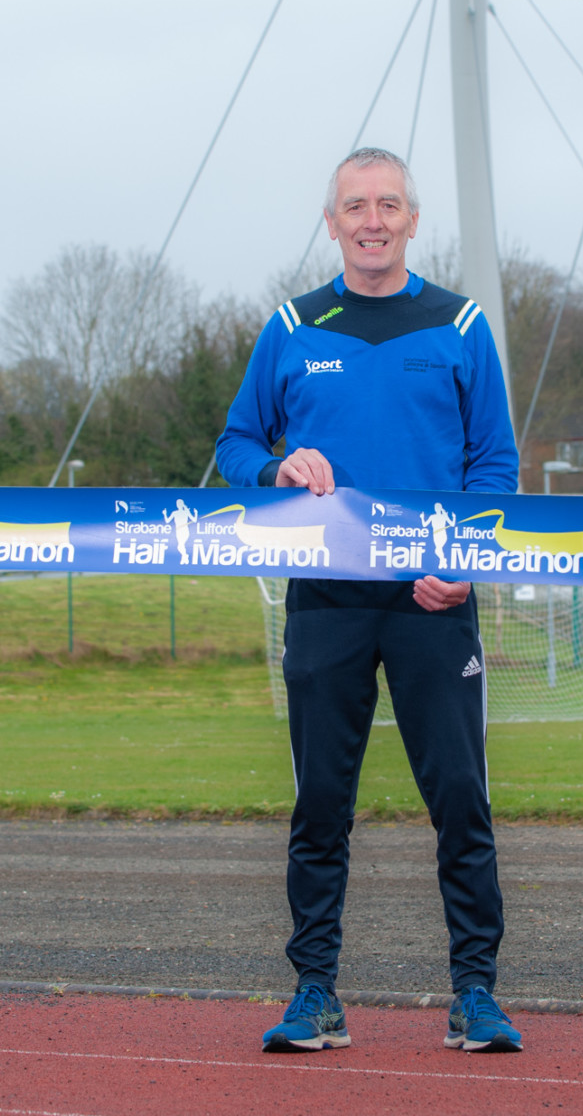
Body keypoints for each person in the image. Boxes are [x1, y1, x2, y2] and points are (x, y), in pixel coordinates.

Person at [216, 148, 523, 1054]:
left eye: (389, 204)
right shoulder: (293, 326)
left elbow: (494, 467)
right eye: (356, 206)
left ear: (414, 220)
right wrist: (279, 466)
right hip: (326, 602)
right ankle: (315, 992)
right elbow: (237, 444)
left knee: (461, 799)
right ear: (333, 221)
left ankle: (475, 993)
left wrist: (465, 560)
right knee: (321, 805)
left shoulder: (460, 324)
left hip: (434, 602)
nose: (373, 219)